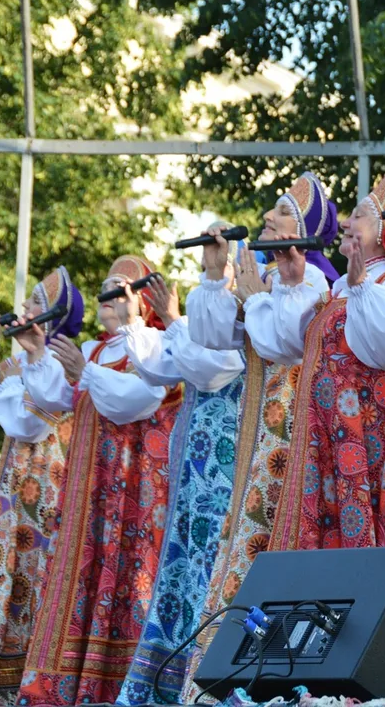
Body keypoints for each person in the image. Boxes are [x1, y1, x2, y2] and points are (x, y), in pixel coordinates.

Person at [177, 176, 338, 701]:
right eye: (269, 214)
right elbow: (209, 333)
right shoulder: (260, 275)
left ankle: (279, 682)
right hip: (257, 442)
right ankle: (225, 678)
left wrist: (255, 300)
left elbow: (286, 343)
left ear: (305, 231)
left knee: (277, 547)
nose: (267, 222)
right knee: (244, 544)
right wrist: (216, 272)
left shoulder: (316, 281)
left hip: (295, 439)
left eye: (280, 216)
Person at [15, 256, 183, 706]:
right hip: (91, 485)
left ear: (142, 298)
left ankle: (125, 687)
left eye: (121, 287)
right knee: (81, 574)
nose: (109, 296)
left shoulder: (155, 343)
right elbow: (54, 398)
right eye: (105, 287)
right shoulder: (91, 348)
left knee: (131, 573)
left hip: (135, 488)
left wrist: (86, 374)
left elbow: (136, 400)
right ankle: (61, 686)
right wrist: (35, 350)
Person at [247, 170, 385, 551]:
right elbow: (288, 347)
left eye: (360, 215)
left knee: (380, 548)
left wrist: (363, 286)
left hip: (378, 442)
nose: (346, 221)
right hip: (335, 441)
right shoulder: (338, 289)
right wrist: (292, 282)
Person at [114, 240, 245, 705]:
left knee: (209, 558)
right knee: (185, 562)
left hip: (224, 463)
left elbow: (210, 372)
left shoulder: (244, 333)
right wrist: (139, 319)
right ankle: (166, 680)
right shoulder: (198, 328)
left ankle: (202, 677)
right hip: (194, 466)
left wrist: (171, 320)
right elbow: (158, 370)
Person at [0, 267, 83, 707]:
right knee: (6, 581)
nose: (24, 309)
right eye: (28, 301)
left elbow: (26, 422)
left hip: (49, 492)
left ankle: (34, 685)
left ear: (51, 318)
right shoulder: (22, 364)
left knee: (37, 582)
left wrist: (27, 362)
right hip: (15, 495)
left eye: (34, 303)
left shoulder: (62, 364)